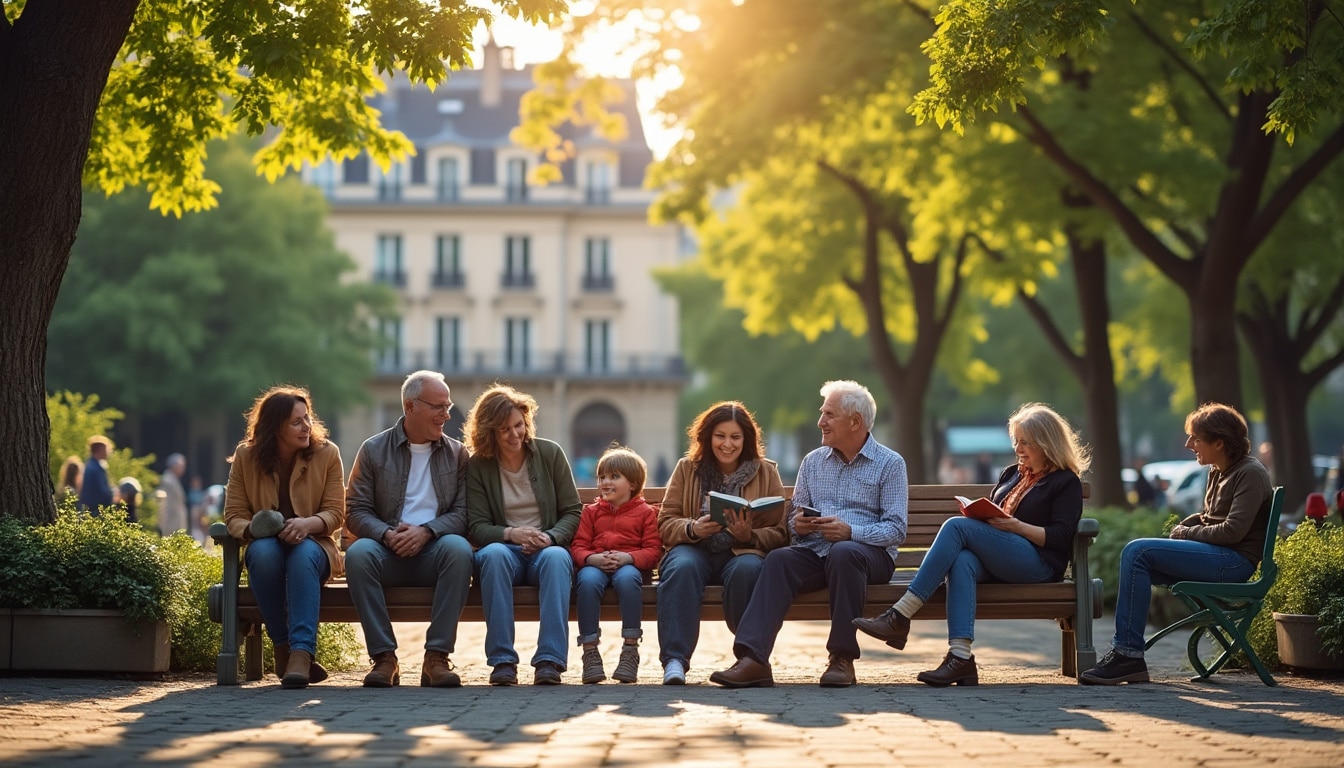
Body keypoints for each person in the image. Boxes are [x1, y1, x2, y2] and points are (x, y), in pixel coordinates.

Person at [854, 403, 1089, 686]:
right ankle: (960, 658)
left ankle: (900, 614)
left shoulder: (1065, 481)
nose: (1018, 449)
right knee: (962, 561)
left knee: (956, 526)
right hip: (1002, 558)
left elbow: (1061, 537)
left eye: (1026, 442)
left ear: (1047, 443)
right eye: (1016, 441)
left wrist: (1016, 527)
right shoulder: (1012, 474)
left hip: (1039, 564)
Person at [710, 380, 907, 689]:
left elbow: (896, 529)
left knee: (844, 552)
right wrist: (798, 525)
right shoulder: (813, 462)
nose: (820, 422)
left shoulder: (890, 464)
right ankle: (753, 659)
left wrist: (850, 532)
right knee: (779, 559)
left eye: (829, 414)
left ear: (855, 422)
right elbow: (793, 520)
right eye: (822, 413)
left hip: (868, 557)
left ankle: (841, 658)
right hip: (816, 552)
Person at [1080, 402, 1273, 685]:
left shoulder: (1249, 473)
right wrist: (1187, 525)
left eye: (1195, 438)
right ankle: (1128, 655)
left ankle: (1127, 655)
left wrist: (1187, 534)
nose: (1188, 444)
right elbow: (1209, 518)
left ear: (1219, 443)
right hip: (1219, 555)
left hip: (1233, 562)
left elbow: (1232, 531)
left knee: (1138, 551)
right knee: (1137, 559)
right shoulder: (1219, 470)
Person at [344, 370, 475, 689]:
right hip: (386, 550)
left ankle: (436, 658)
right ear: (410, 406)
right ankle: (384, 658)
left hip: (435, 551)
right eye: (438, 407)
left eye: (447, 406)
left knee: (459, 550)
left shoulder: (457, 453)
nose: (446, 414)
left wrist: (427, 531)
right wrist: (386, 534)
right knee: (358, 554)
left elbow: (464, 513)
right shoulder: (373, 450)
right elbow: (356, 510)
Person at [223, 386, 346, 689]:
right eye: (296, 422)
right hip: (267, 545)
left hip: (315, 545)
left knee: (302, 556)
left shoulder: (328, 453)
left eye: (307, 418)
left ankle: (301, 654)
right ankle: (282, 647)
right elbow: (234, 515)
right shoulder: (246, 456)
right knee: (263, 553)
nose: (306, 427)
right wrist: (257, 528)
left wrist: (307, 524)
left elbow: (336, 513)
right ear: (275, 427)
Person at [656, 401, 787, 685]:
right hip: (694, 549)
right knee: (682, 566)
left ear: (746, 439)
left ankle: (751, 658)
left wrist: (749, 535)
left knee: (749, 568)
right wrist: (693, 528)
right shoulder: (687, 468)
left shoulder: (766, 471)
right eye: (720, 436)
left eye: (735, 437)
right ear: (707, 436)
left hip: (741, 551)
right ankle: (675, 660)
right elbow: (665, 523)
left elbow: (780, 533)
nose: (727, 444)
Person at [466, 384, 583, 686]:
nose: (514, 434)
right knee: (491, 556)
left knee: (557, 558)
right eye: (504, 429)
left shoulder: (550, 453)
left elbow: (573, 511)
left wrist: (551, 537)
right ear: (489, 432)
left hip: (545, 550)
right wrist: (511, 533)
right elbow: (476, 525)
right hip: (506, 551)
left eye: (519, 425)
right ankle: (502, 661)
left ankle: (550, 660)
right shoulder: (478, 465)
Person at [570, 445, 661, 684]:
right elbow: (578, 546)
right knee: (587, 580)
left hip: (630, 567)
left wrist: (628, 558)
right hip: (596, 564)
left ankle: (630, 649)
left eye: (614, 476)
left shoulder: (646, 513)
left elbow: (653, 551)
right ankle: (590, 651)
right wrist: (592, 559)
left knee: (628, 578)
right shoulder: (591, 512)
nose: (605, 482)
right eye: (602, 477)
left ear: (633, 484)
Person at [78, 436, 115, 513]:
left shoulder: (91, 465)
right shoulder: (95, 468)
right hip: (95, 510)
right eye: (106, 449)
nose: (108, 452)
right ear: (100, 450)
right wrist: (114, 496)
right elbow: (103, 492)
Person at [157, 453, 188, 537]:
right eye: (181, 466)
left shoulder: (174, 480)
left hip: (176, 524)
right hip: (170, 525)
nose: (183, 468)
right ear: (174, 466)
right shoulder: (167, 481)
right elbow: (164, 504)